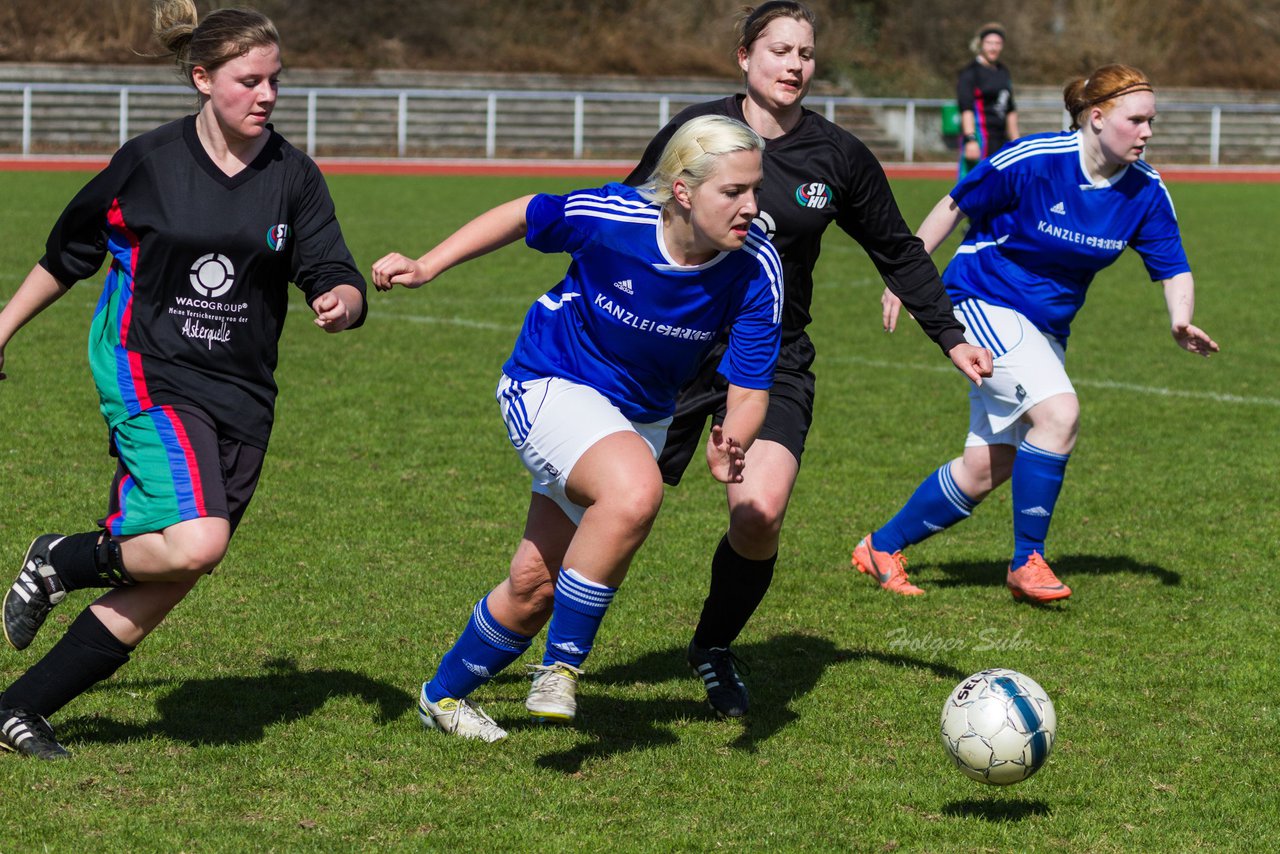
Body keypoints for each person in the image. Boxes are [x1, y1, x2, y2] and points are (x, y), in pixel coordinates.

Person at [0, 1, 366, 760]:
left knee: (172, 569)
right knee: (198, 541)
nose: (266, 95)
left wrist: (343, 300)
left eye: (274, 81)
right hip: (147, 367)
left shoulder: (292, 175)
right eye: (248, 80)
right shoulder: (149, 161)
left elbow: (331, 266)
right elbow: (68, 254)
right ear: (203, 79)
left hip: (243, 392)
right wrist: (1, 326)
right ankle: (62, 559)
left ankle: (20, 707)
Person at [622, 1, 992, 719]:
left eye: (806, 54)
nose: (795, 65)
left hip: (773, 359)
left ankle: (713, 648)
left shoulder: (838, 156)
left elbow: (897, 249)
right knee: (615, 508)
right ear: (744, 57)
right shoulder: (696, 134)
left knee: (758, 513)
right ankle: (547, 651)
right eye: (780, 50)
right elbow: (626, 217)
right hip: (672, 350)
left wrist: (949, 335)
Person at [371, 115, 783, 743]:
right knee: (635, 491)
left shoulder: (756, 268)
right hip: (547, 382)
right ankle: (561, 667)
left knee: (534, 586)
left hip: (639, 417)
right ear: (682, 190)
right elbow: (522, 213)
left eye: (755, 190)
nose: (751, 207)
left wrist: (734, 439)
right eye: (733, 192)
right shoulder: (613, 217)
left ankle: (441, 696)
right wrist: (429, 265)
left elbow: (750, 387)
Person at [854, 64, 1219, 603]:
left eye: (1151, 121)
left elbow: (1172, 264)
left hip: (1045, 328)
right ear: (1097, 117)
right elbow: (955, 205)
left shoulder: (1144, 190)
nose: (1147, 132)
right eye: (1136, 119)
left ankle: (880, 547)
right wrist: (908, 276)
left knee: (989, 465)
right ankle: (1027, 560)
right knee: (1058, 414)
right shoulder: (1034, 159)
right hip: (981, 299)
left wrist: (1179, 318)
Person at [956, 22, 1020, 177]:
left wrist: (1017, 142)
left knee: (1001, 191)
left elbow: (1010, 109)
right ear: (981, 44)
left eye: (997, 43)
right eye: (989, 43)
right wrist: (970, 139)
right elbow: (966, 109)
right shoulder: (970, 72)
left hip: (1000, 140)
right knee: (971, 192)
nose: (993, 47)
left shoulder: (1003, 72)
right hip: (980, 138)